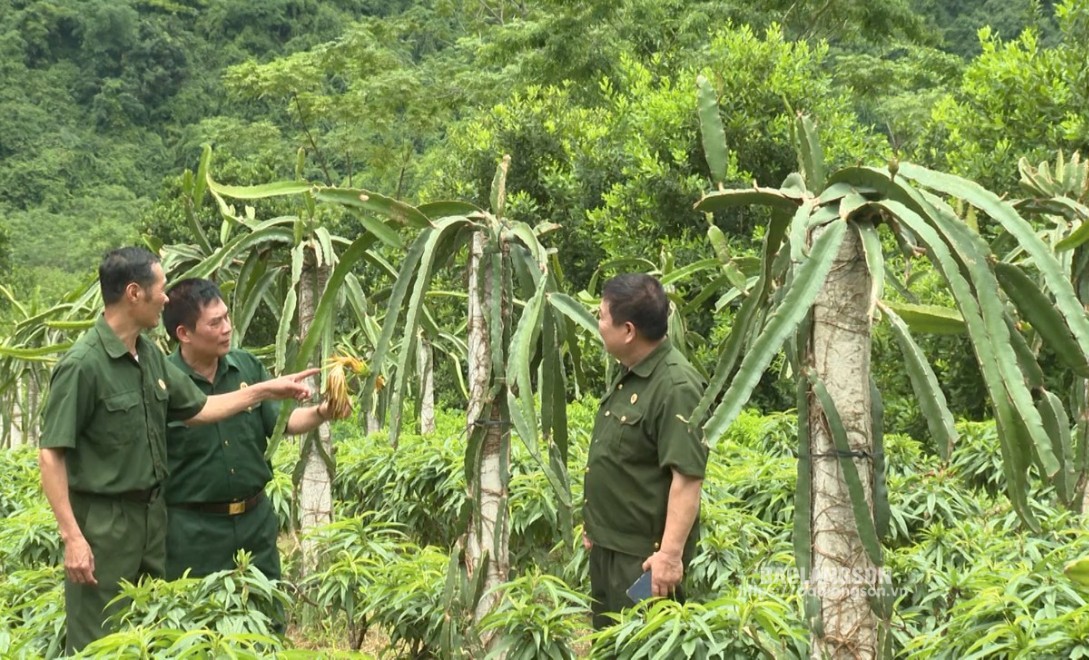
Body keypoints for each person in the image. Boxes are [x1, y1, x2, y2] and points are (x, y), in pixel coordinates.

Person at [38, 247, 318, 654]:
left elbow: (202, 408)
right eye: (161, 288)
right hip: (104, 523)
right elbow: (51, 454)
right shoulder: (84, 364)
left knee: (157, 631)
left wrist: (265, 389)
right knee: (101, 640)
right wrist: (72, 537)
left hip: (153, 519)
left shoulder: (148, 355)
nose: (167, 298)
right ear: (134, 293)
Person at [160, 278, 348, 582]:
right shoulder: (164, 381)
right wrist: (263, 390)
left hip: (254, 523)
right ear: (184, 333)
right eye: (214, 322)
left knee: (266, 613)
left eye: (226, 317)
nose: (226, 328)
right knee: (200, 620)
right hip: (192, 532)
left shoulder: (245, 366)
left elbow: (282, 424)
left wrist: (323, 412)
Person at [582, 273, 708, 629]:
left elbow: (687, 480)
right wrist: (597, 525)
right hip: (610, 551)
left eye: (603, 317)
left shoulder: (676, 386)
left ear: (628, 331)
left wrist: (669, 555)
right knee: (609, 646)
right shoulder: (631, 374)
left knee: (640, 646)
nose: (598, 324)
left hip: (643, 563)